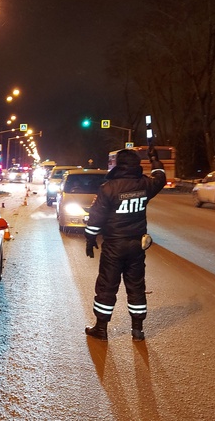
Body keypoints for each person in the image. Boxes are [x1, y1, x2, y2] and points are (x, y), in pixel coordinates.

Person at [84, 145, 166, 341]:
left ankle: (101, 329)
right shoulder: (144, 185)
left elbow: (96, 217)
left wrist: (90, 238)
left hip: (114, 246)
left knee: (107, 285)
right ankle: (138, 330)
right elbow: (161, 179)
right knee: (136, 285)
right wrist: (155, 160)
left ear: (119, 165)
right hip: (137, 246)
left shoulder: (109, 188)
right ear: (137, 165)